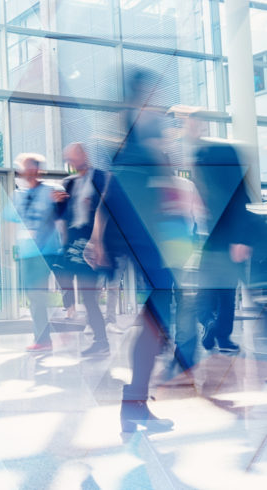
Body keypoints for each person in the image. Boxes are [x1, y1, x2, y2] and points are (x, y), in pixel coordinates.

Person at [88, 68, 175, 433]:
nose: (157, 98)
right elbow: (112, 188)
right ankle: (134, 399)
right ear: (141, 94)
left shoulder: (138, 129)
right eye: (152, 92)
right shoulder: (134, 131)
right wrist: (97, 236)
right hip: (139, 233)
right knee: (159, 312)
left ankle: (135, 398)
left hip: (145, 232)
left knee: (158, 314)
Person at [173, 107, 256, 355]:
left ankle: (219, 332)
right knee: (209, 292)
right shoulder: (198, 159)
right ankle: (215, 329)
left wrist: (241, 239)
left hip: (227, 238)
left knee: (224, 292)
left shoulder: (221, 154)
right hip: (207, 240)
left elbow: (240, 198)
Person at [54, 143, 111, 357]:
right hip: (72, 242)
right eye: (68, 159)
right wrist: (56, 204)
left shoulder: (102, 178)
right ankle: (77, 313)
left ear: (84, 155)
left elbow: (109, 209)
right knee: (63, 277)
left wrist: (101, 244)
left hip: (92, 241)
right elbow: (59, 215)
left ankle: (101, 340)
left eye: (74, 157)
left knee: (88, 295)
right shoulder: (68, 184)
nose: (71, 162)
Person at [7, 153, 62, 353]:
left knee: (38, 295)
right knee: (33, 295)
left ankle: (43, 338)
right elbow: (11, 223)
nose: (28, 172)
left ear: (38, 170)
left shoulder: (52, 191)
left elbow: (62, 217)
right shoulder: (18, 196)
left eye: (31, 167)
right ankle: (42, 337)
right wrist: (5, 251)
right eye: (24, 168)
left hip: (46, 251)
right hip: (26, 253)